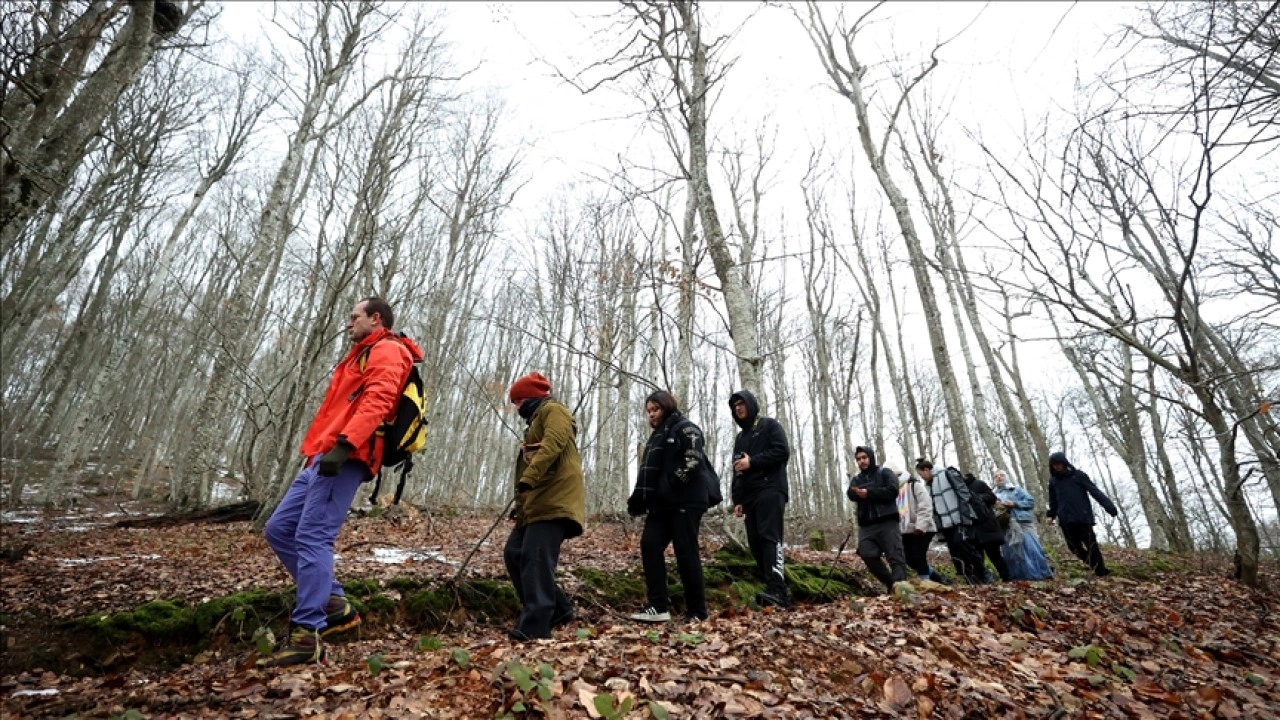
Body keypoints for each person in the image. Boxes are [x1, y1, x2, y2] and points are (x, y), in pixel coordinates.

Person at [259, 297, 423, 667]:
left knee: (313, 536)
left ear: (375, 319)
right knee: (280, 529)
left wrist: (345, 445)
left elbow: (379, 400)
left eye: (354, 316)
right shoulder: (360, 354)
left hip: (346, 455)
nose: (348, 323)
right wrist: (320, 450)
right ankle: (331, 600)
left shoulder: (387, 349)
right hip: (324, 453)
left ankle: (307, 635)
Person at [502, 372, 585, 641]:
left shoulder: (554, 411)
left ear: (528, 398)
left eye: (517, 402)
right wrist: (522, 505)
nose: (516, 408)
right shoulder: (536, 418)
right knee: (515, 552)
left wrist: (528, 479)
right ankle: (559, 609)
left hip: (555, 500)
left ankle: (536, 626)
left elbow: (553, 445)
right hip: (537, 502)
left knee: (535, 559)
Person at [626, 390, 715, 623]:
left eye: (655, 410)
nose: (652, 416)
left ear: (666, 407)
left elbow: (693, 458)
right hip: (661, 503)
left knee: (686, 552)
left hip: (686, 500)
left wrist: (673, 482)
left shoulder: (686, 428)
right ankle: (658, 606)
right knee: (650, 545)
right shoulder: (656, 437)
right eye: (648, 412)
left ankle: (697, 611)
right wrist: (644, 497)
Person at [728, 390, 792, 608]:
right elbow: (737, 469)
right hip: (750, 496)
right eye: (734, 405)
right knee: (755, 542)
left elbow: (782, 452)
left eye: (741, 403)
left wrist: (753, 462)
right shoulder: (740, 438)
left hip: (771, 489)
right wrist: (737, 499)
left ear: (751, 404)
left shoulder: (769, 426)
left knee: (769, 538)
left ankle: (779, 590)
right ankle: (770, 586)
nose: (738, 408)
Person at [1046, 451, 1118, 577]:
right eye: (1054, 465)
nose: (1057, 467)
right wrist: (1051, 515)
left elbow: (1094, 491)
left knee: (1091, 545)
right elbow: (1053, 501)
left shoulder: (1078, 476)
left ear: (1064, 463)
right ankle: (1094, 565)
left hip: (1082, 517)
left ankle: (1101, 571)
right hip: (1065, 519)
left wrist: (1109, 507)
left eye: (1059, 464)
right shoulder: (1053, 482)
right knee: (1073, 547)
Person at [846, 446, 908, 592]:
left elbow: (892, 491)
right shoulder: (857, 479)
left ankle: (902, 588)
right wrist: (857, 493)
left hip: (888, 521)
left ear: (871, 457)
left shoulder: (885, 472)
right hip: (867, 524)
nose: (862, 461)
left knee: (895, 555)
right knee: (866, 553)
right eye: (859, 459)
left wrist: (869, 493)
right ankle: (890, 584)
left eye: (864, 458)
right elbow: (850, 493)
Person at [916, 459, 985, 584]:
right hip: (945, 524)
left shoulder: (948, 474)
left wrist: (964, 517)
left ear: (927, 470)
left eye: (922, 475)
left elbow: (963, 493)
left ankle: (982, 571)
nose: (922, 478)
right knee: (954, 550)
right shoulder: (928, 486)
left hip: (959, 518)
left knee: (963, 545)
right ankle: (968, 577)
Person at [993, 470, 1054, 580]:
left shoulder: (1017, 489)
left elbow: (1030, 502)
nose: (999, 477)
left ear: (1006, 477)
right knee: (1011, 553)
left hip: (1022, 523)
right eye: (996, 476)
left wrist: (1014, 503)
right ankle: (1018, 578)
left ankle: (1042, 574)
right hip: (1006, 526)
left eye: (1001, 475)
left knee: (1031, 548)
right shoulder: (994, 495)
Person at [896, 468, 945, 583]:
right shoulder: (894, 491)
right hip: (906, 530)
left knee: (918, 555)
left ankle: (926, 582)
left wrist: (920, 526)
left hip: (924, 528)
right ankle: (936, 577)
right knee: (908, 558)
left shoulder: (914, 485)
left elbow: (926, 506)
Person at [963, 472, 1012, 582]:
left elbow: (992, 497)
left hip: (987, 525)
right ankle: (982, 579)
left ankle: (1007, 578)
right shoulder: (960, 490)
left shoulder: (979, 484)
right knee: (978, 557)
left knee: (995, 555)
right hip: (973, 529)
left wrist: (976, 497)